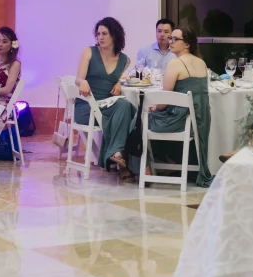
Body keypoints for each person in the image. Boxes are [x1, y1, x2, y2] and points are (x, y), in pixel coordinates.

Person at [133, 26, 213, 188]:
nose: (171, 42)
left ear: (187, 45)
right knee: (148, 116)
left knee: (139, 118)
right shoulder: (202, 62)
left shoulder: (175, 63)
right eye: (171, 38)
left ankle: (143, 168)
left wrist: (155, 108)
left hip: (179, 120)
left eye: (175, 39)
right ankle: (168, 161)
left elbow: (164, 100)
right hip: (200, 120)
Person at [75, 17, 136, 183]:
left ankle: (117, 155)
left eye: (104, 34)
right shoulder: (89, 52)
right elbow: (78, 79)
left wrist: (118, 81)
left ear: (114, 36)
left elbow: (117, 76)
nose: (100, 37)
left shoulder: (125, 60)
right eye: (98, 34)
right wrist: (83, 81)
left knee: (125, 105)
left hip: (107, 106)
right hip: (87, 107)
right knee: (123, 112)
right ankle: (121, 163)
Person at [0, 26, 22, 130]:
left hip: (5, 104)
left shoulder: (15, 64)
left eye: (4, 41)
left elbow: (7, 90)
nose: (0, 44)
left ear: (12, 44)